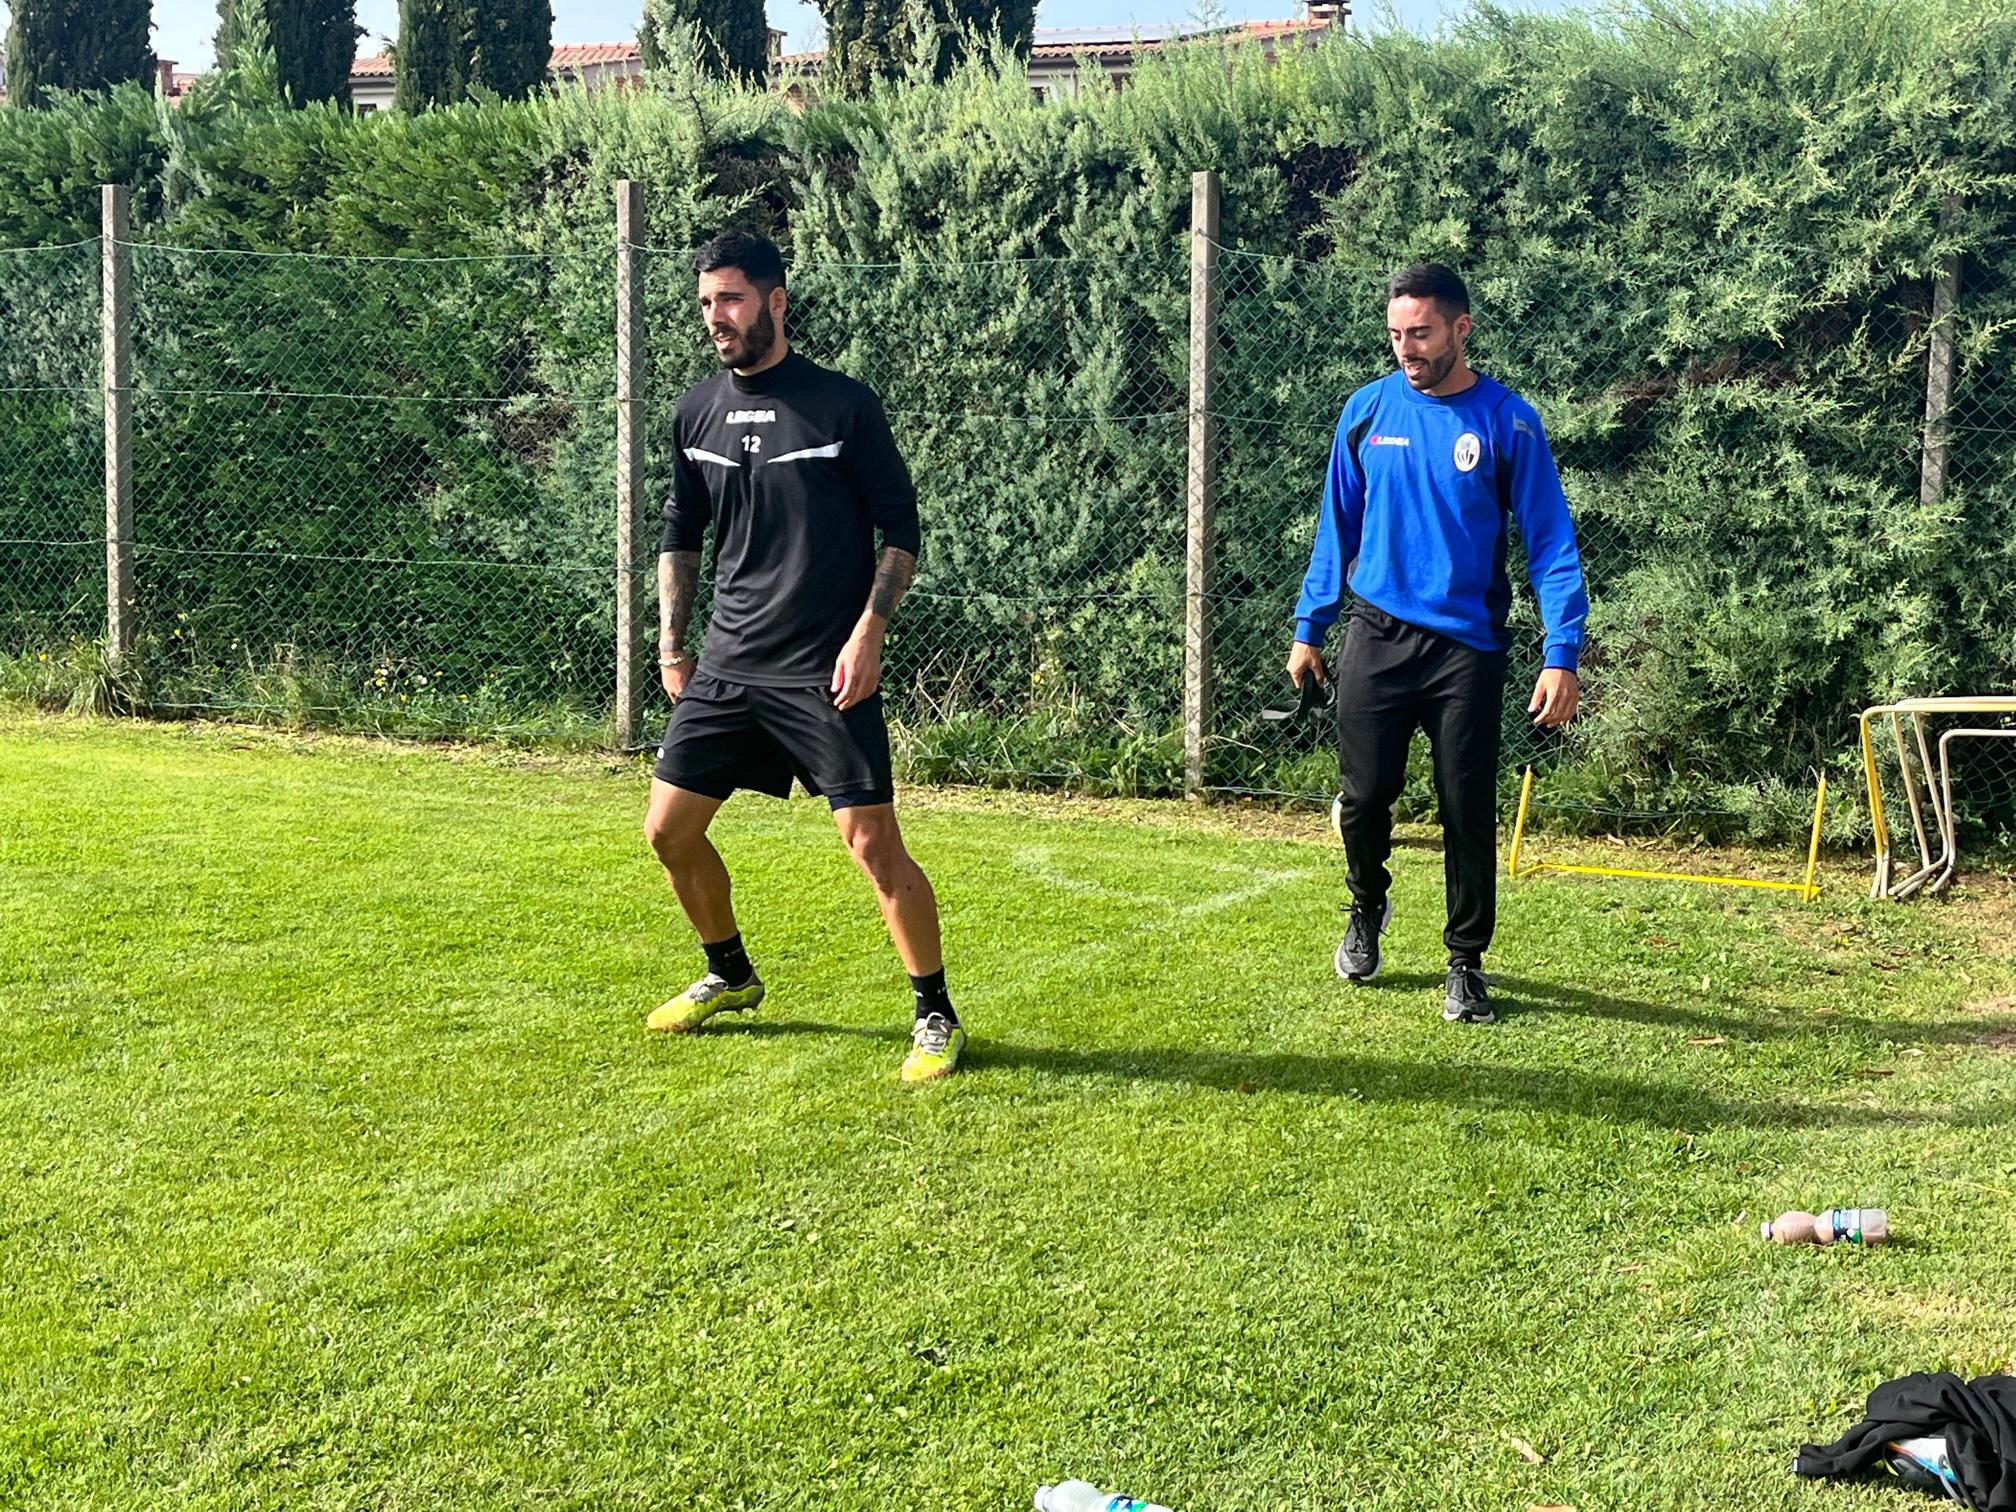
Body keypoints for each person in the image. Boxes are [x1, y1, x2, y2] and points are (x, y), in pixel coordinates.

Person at [642, 228, 965, 1083]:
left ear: (776, 303)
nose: (717, 317)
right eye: (708, 302)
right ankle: (729, 971)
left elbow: (902, 526)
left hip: (824, 669)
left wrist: (870, 632)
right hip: (726, 665)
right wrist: (672, 644)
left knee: (874, 848)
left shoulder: (842, 406)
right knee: (668, 833)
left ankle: (935, 1013)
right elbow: (681, 529)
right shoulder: (693, 410)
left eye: (733, 300)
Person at [1287, 262, 1588, 1025]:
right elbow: (1336, 528)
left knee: (1465, 810)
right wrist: (1308, 627)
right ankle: (1366, 908)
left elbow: (1550, 542)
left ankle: (1465, 962)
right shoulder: (1365, 412)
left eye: (1420, 333)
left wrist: (1563, 652)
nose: (1405, 349)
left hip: (1468, 648)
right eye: (1395, 335)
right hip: (1376, 635)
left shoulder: (1507, 421)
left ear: (1461, 329)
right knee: (1362, 800)